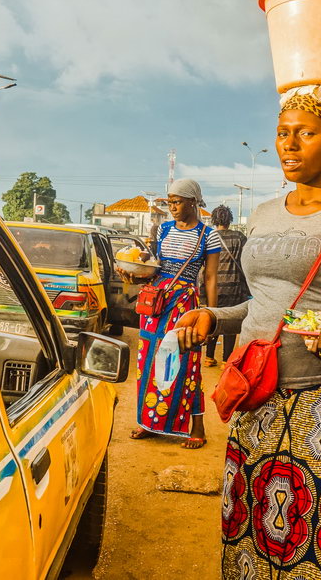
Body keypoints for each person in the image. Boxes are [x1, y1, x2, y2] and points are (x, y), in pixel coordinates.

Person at [175, 86, 321, 578]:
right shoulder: (264, 214)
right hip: (257, 401)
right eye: (282, 133)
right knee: (255, 535)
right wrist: (215, 317)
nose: (289, 145)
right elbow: (263, 305)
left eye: (305, 133)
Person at [121, 179, 221, 449]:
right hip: (155, 304)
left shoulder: (208, 235)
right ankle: (147, 421)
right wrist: (135, 269)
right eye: (169, 202)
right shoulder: (163, 229)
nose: (172, 207)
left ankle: (197, 426)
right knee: (148, 362)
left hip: (185, 305)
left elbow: (210, 278)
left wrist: (211, 318)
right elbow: (153, 265)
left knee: (186, 364)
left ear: (192, 202)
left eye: (177, 202)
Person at [203, 205, 248, 367]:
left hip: (213, 288)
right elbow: (247, 260)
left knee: (214, 320)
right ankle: (226, 360)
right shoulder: (239, 237)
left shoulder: (209, 237)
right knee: (230, 323)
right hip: (235, 288)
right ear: (230, 219)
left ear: (214, 220)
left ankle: (208, 357)